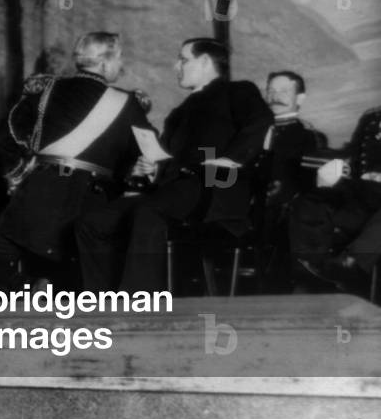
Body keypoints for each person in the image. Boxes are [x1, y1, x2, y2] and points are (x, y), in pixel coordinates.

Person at [76, 37, 273, 292]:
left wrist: (230, 160)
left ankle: (138, 301)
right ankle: (99, 300)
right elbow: (168, 160)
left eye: (183, 59)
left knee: (147, 212)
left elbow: (260, 122)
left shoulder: (237, 91)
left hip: (214, 187)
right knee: (93, 222)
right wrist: (152, 169)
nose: (176, 66)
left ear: (205, 61)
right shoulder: (179, 112)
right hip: (173, 190)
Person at [0, 32, 155, 291]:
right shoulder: (126, 102)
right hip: (92, 198)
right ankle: (46, 291)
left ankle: (32, 290)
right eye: (119, 59)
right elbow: (149, 150)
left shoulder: (46, 90)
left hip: (41, 190)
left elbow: (5, 134)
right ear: (104, 62)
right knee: (76, 272)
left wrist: (17, 177)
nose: (121, 65)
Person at [290, 106, 381, 292]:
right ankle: (311, 266)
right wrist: (315, 155)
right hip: (362, 191)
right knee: (314, 198)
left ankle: (350, 265)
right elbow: (352, 152)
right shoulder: (373, 117)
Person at [254, 71, 327, 289]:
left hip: (279, 213)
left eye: (284, 91)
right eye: (271, 91)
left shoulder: (309, 137)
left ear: (300, 98)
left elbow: (307, 187)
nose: (275, 97)